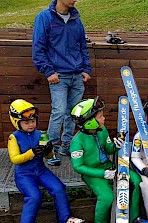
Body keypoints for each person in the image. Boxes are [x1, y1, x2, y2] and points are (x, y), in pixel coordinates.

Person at [70, 98, 148, 223]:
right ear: (90, 121)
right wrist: (102, 173)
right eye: (100, 116)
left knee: (136, 181)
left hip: (109, 167)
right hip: (92, 173)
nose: (104, 118)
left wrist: (117, 145)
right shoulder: (77, 142)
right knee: (107, 196)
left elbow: (109, 149)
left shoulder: (102, 130)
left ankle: (134, 218)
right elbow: (78, 167)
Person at [8, 99, 84, 223]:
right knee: (34, 196)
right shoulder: (14, 138)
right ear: (16, 122)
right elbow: (15, 159)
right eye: (26, 122)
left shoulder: (41, 134)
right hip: (24, 174)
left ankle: (65, 221)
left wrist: (49, 151)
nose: (31, 125)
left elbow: (50, 156)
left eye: (33, 121)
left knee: (59, 187)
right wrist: (32, 152)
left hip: (41, 170)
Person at [32, 0, 92, 166]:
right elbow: (38, 48)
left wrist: (86, 69)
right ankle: (51, 150)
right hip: (58, 76)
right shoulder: (44, 17)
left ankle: (67, 146)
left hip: (77, 75)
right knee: (58, 112)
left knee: (74, 114)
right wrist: (49, 71)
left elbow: (82, 47)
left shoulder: (76, 19)